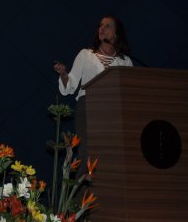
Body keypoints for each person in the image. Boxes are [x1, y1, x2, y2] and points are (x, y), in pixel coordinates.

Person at [53, 15, 133, 150]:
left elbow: (128, 92)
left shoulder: (125, 61)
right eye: (100, 25)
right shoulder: (85, 55)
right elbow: (70, 86)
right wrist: (63, 74)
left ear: (116, 34)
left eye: (107, 26)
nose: (102, 28)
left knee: (111, 151)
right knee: (87, 150)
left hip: (113, 111)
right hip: (87, 107)